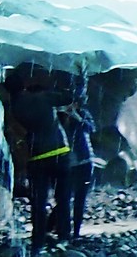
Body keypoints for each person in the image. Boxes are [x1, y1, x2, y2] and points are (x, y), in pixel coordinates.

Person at [12, 74, 72, 247]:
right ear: (23, 86)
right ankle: (63, 236)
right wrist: (75, 82)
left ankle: (38, 240)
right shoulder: (43, 97)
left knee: (38, 202)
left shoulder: (16, 107)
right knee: (63, 198)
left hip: (37, 157)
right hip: (60, 153)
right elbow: (69, 98)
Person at [62, 92, 98, 241]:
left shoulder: (83, 114)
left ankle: (76, 232)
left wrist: (77, 117)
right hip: (67, 164)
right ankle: (62, 231)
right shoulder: (58, 116)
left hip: (85, 162)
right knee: (63, 198)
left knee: (80, 199)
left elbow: (91, 129)